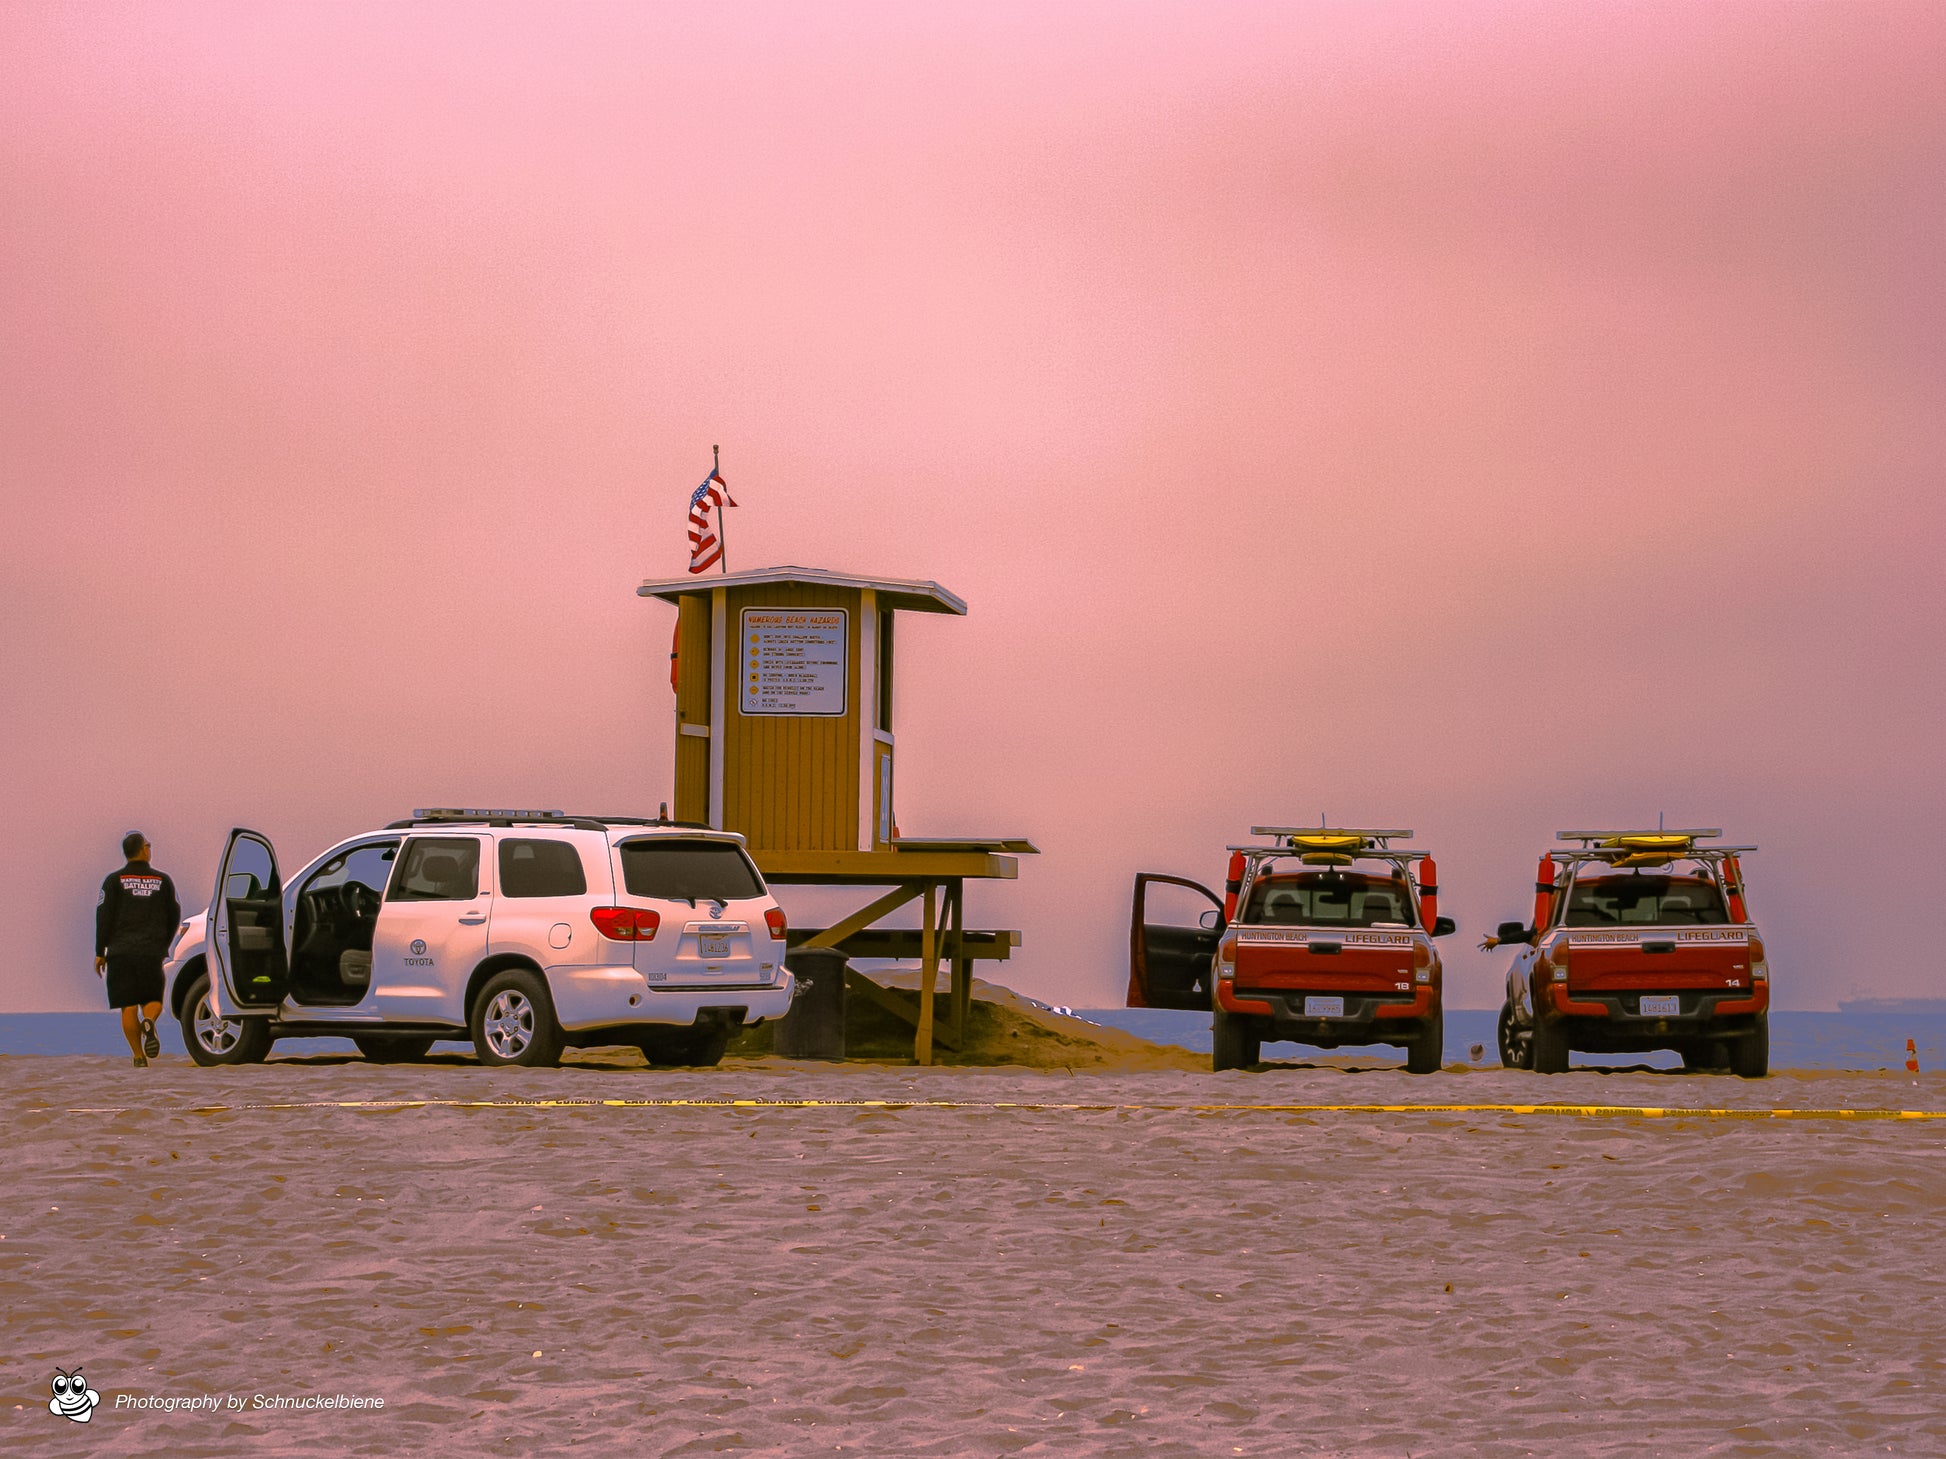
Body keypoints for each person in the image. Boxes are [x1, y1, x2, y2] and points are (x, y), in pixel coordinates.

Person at [95, 831, 180, 1067]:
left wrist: (100, 952)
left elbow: (103, 916)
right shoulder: (162, 881)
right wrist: (164, 943)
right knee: (153, 999)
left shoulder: (113, 881)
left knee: (128, 1006)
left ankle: (138, 1056)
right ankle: (150, 1021)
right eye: (148, 845)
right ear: (143, 850)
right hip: (151, 951)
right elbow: (174, 914)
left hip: (121, 952)